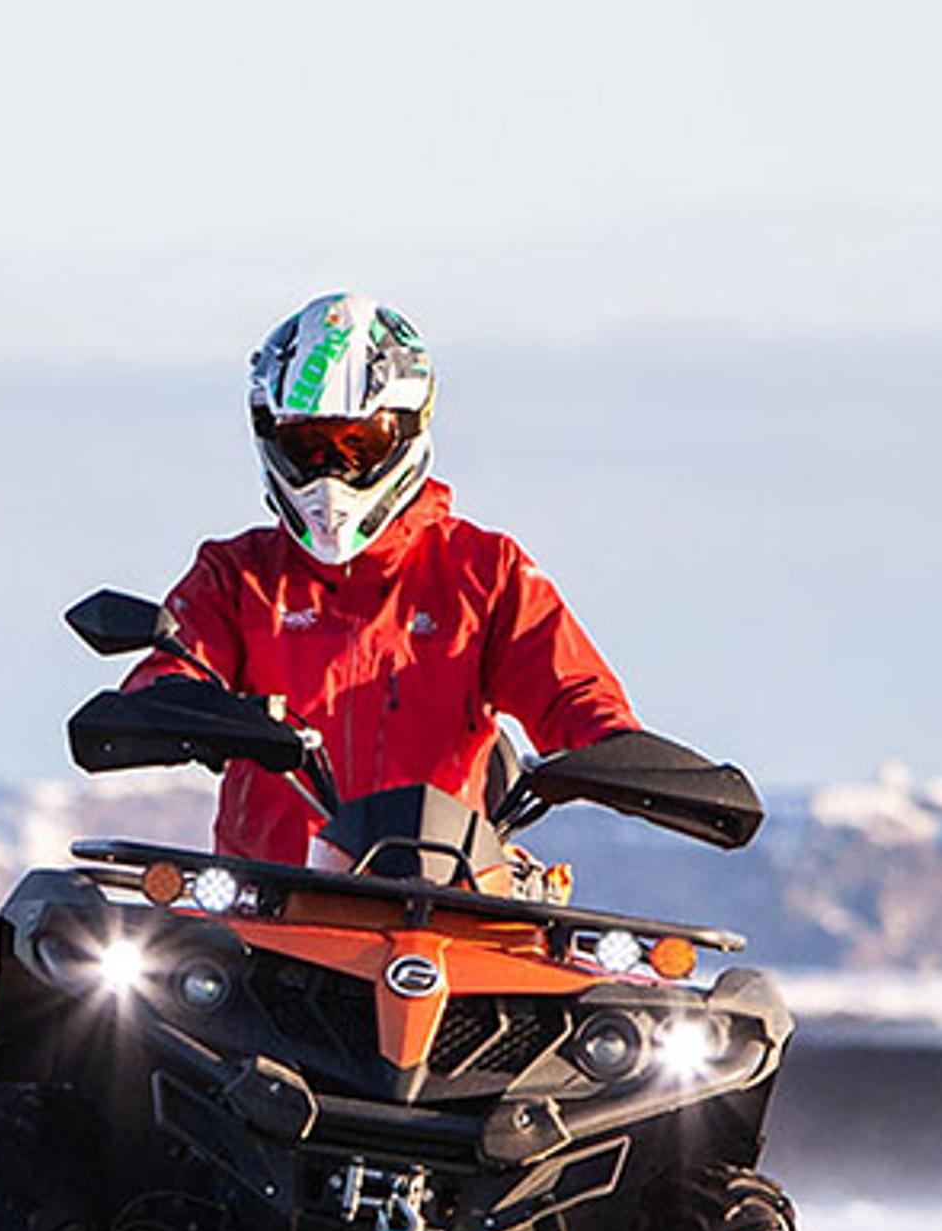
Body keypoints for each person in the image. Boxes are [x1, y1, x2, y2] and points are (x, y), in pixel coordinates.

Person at [130, 291, 642, 863]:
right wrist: (174, 703)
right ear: (272, 438)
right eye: (310, 445)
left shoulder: (485, 572)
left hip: (444, 896)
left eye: (358, 444)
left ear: (405, 433)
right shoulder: (235, 575)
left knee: (605, 953)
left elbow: (572, 692)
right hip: (268, 902)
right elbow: (173, 663)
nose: (333, 469)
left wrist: (619, 752)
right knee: (93, 934)